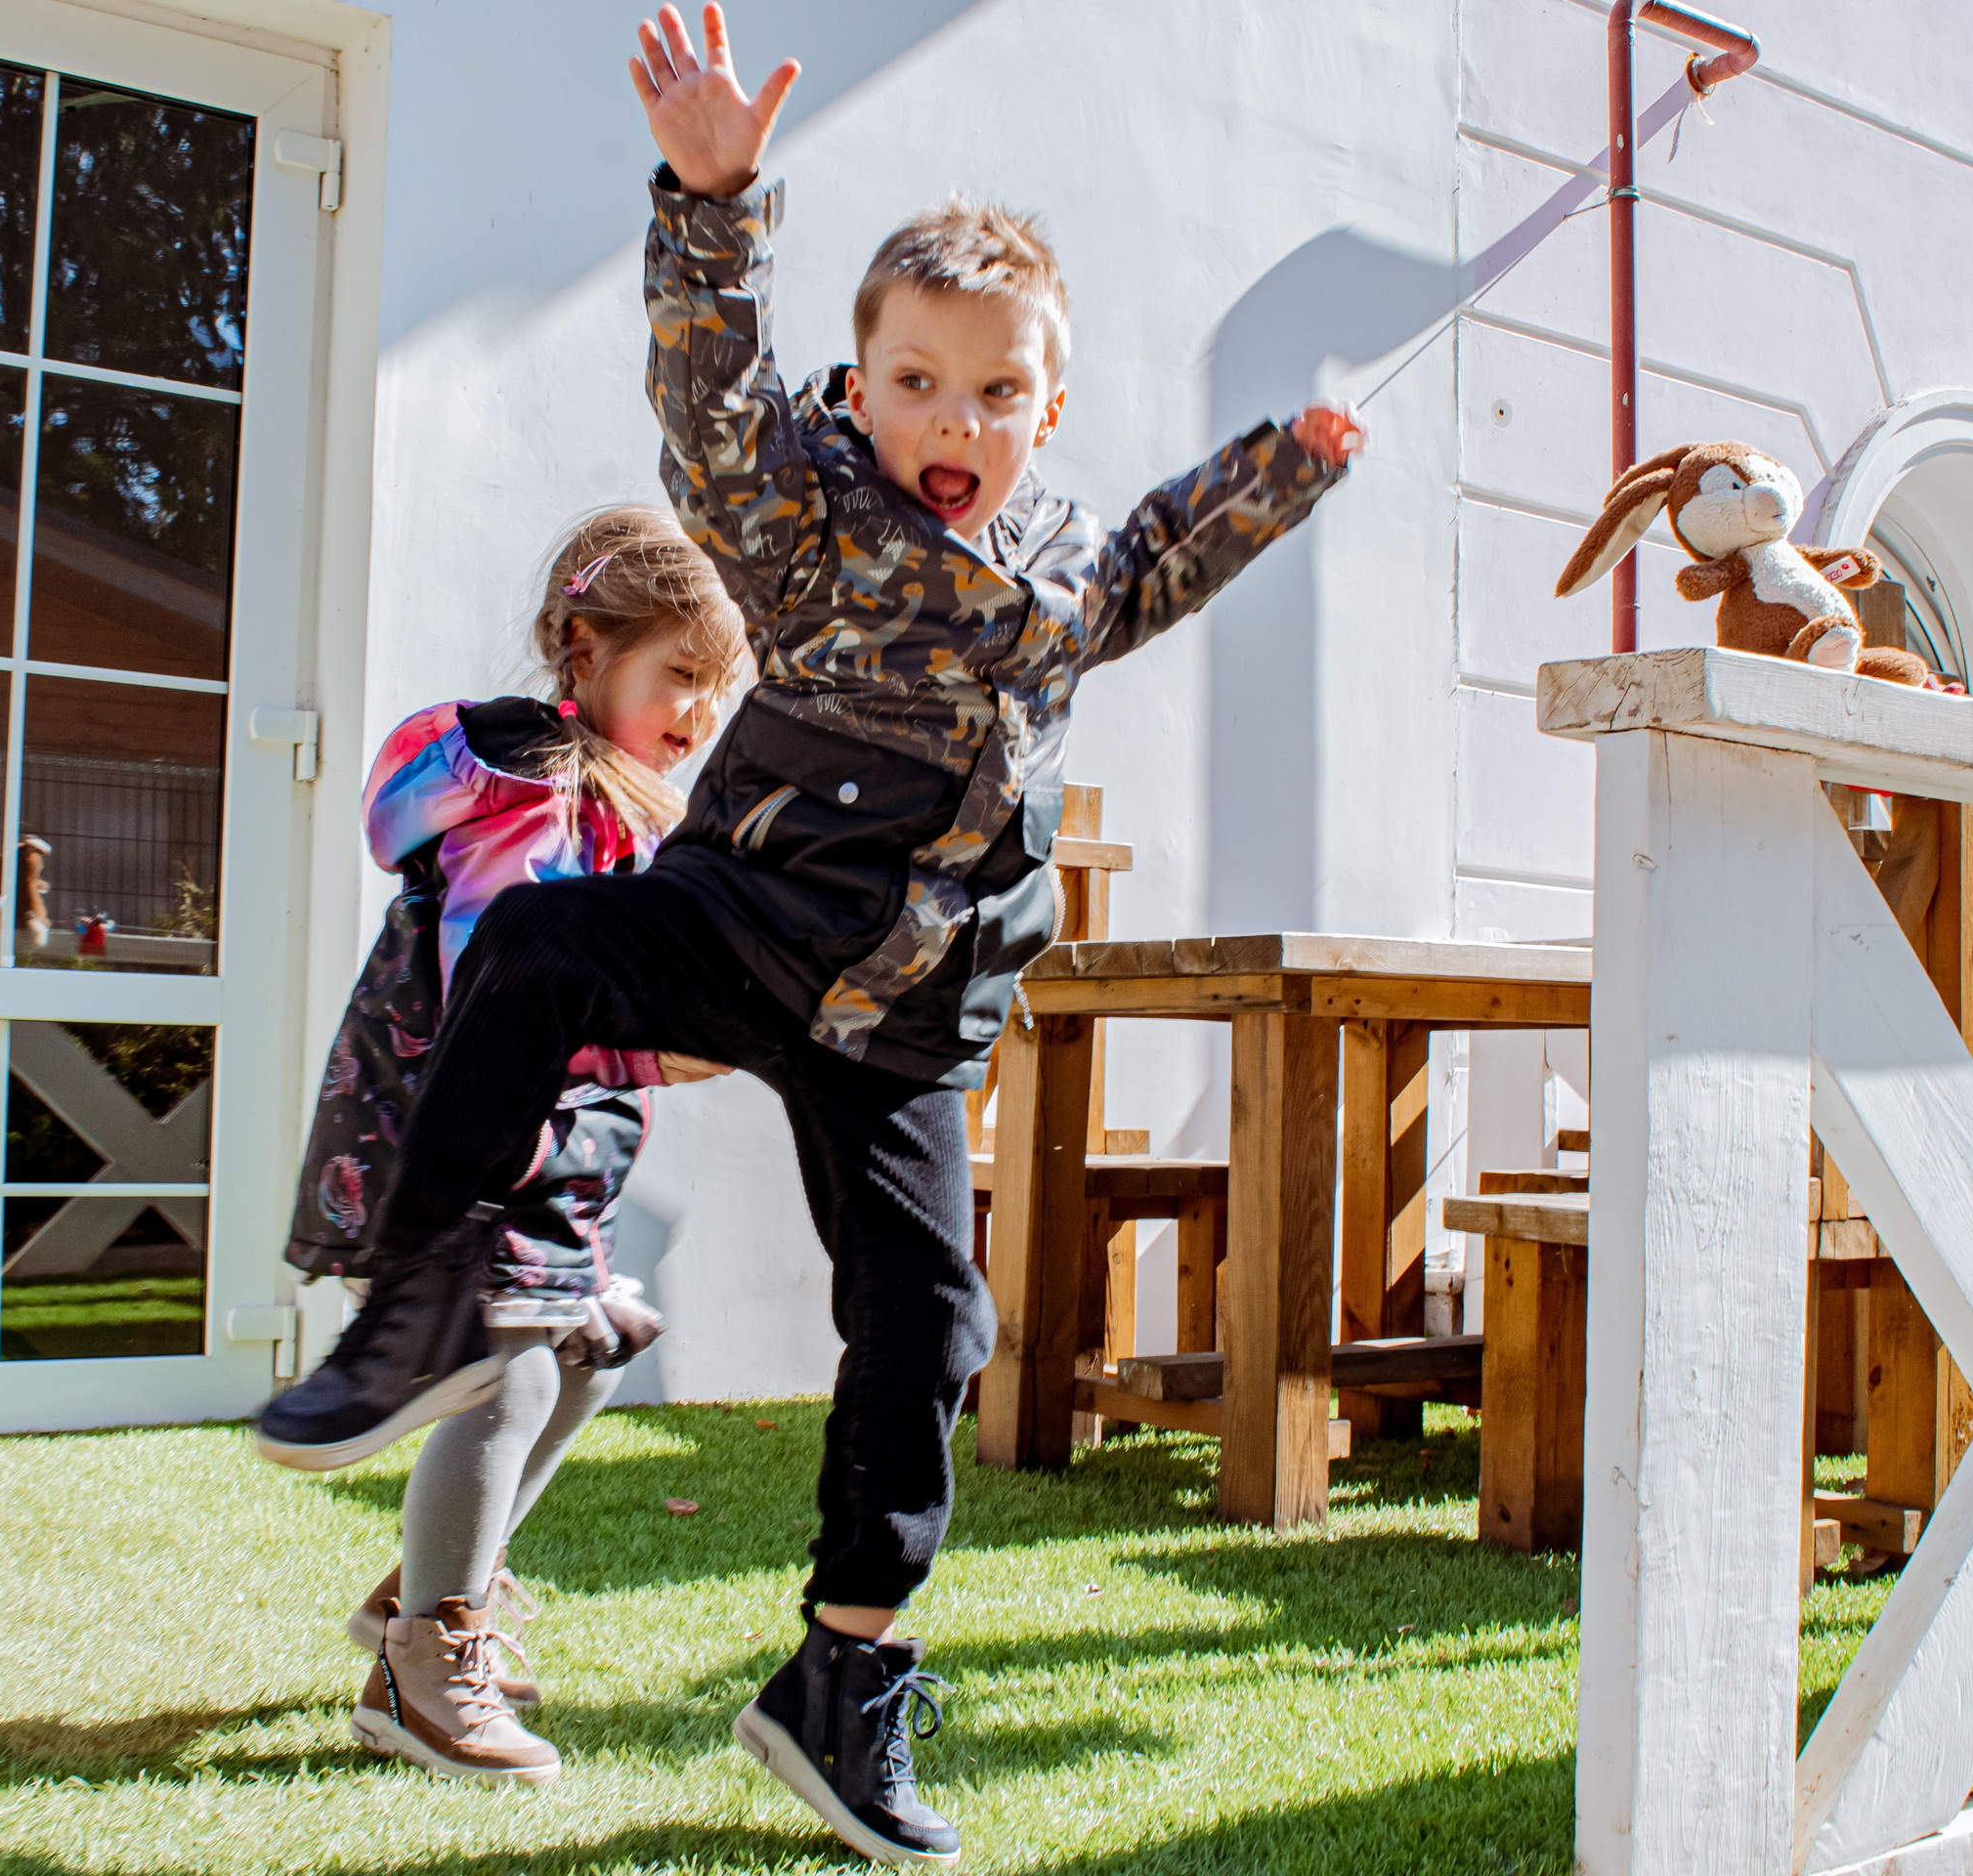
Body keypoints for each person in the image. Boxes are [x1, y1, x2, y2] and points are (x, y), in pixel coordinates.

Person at [256, 6, 1363, 1860]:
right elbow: (710, 410)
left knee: (932, 1322)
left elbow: (1166, 552)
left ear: (1048, 412)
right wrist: (716, 206)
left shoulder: (1068, 579)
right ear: (865, 387)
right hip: (749, 915)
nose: (954, 423)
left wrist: (1289, 463)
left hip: (906, 1009)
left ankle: (842, 1682)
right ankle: (430, 1291)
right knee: (539, 950)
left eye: (996, 393)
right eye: (918, 382)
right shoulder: (806, 519)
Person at [267, 503, 749, 1787]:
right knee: (510, 1378)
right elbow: (505, 980)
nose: (701, 711)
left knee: (586, 1353)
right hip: (458, 1140)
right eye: (680, 674)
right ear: (587, 652)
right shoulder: (531, 789)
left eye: (719, 684)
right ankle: (425, 1662)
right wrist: (657, 1039)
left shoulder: (623, 806)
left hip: (547, 1153)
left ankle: (435, 1586)